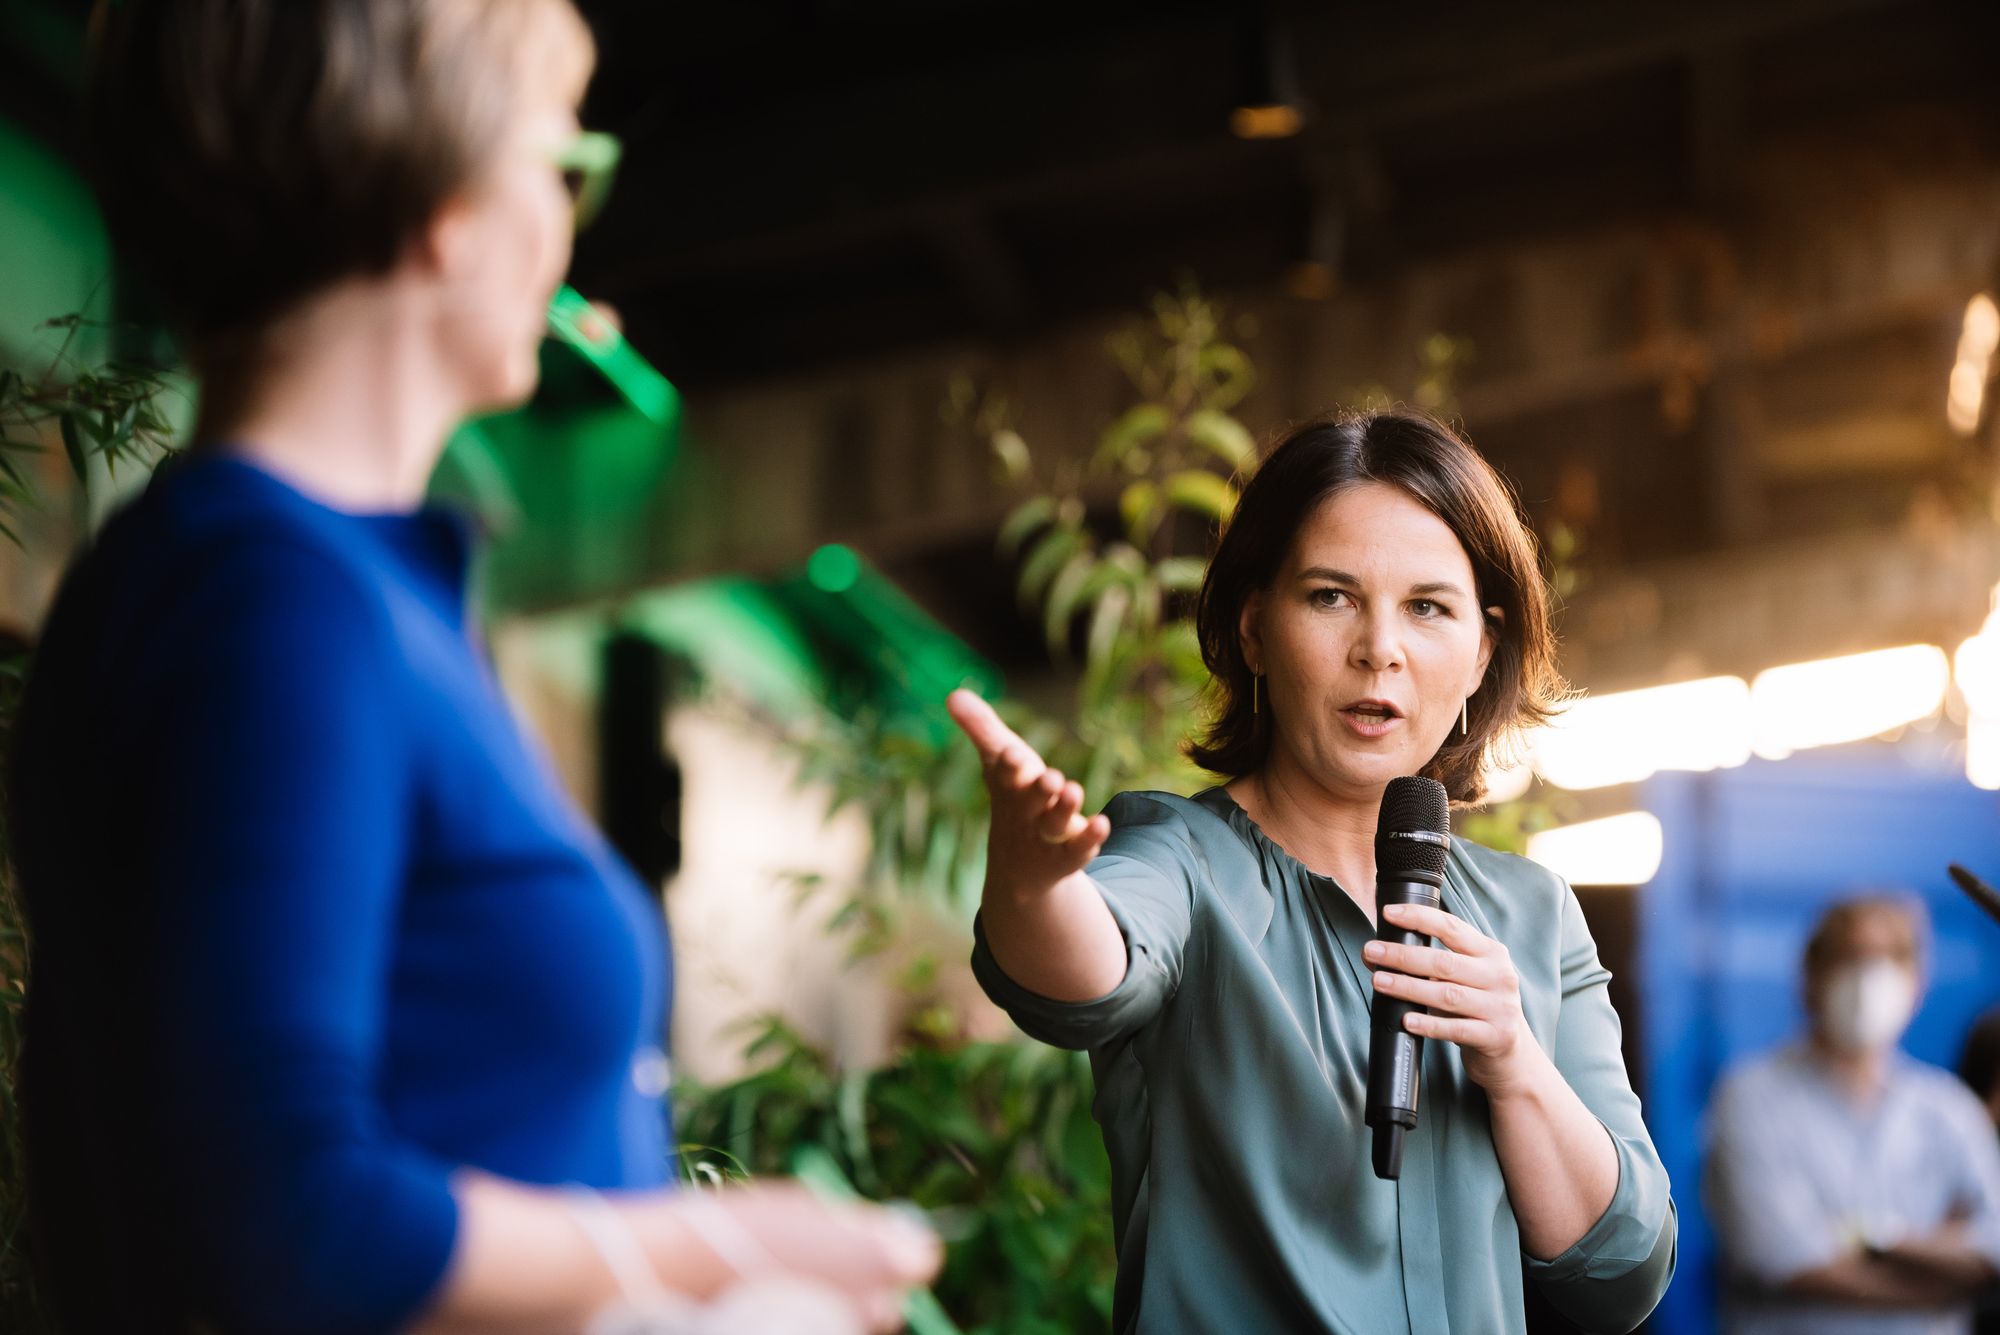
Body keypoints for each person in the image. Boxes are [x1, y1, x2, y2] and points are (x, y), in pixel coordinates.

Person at [9, 2, 936, 1332]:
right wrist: (720, 1245)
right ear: (446, 203)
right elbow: (282, 1220)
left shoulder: (297, 588)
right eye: (559, 165)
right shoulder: (275, 604)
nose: (567, 224)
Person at [949, 408, 1677, 1334]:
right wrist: (1032, 879)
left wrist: (1512, 1059)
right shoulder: (1183, 857)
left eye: (1428, 607)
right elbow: (1084, 969)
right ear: (1254, 627)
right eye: (1332, 596)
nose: (1380, 648)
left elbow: (1624, 1271)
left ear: (1482, 652)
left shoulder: (1533, 915)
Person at [1706, 897, 2000, 1335]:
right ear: (1809, 979)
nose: (1868, 980)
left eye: (1889, 960)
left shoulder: (1949, 1109)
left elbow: (1994, 1247)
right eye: (1849, 958)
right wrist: (1940, 1278)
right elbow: (1786, 1259)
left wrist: (1874, 1239)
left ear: (1917, 985)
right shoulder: (1750, 1100)